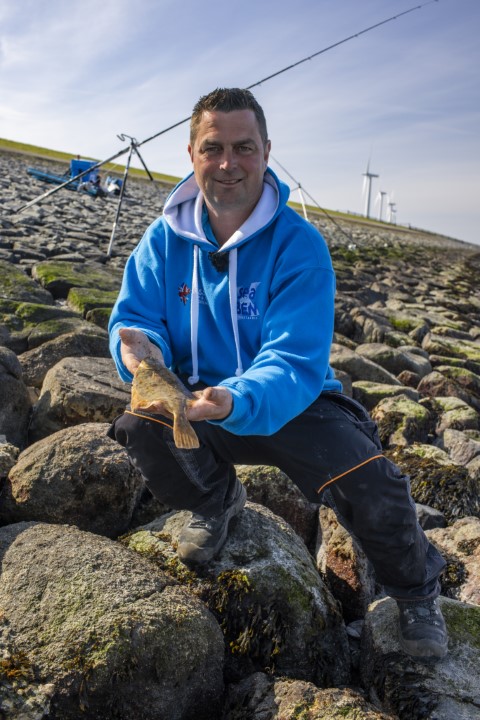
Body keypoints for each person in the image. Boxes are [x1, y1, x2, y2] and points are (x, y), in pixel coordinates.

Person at [108, 87, 448, 660]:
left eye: (243, 147)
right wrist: (139, 349)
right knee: (137, 425)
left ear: (266, 151)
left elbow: (294, 361)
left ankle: (416, 593)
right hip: (195, 400)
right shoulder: (161, 239)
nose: (228, 163)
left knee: (372, 478)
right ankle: (214, 503)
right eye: (213, 147)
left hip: (291, 399)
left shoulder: (300, 245)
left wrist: (235, 398)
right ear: (191, 153)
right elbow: (137, 318)